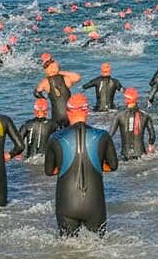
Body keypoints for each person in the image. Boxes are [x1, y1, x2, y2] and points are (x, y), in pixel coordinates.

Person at [44, 94, 118, 237]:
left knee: (67, 249)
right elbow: (113, 166)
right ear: (87, 111)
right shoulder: (102, 135)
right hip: (94, 202)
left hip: (67, 201)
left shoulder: (55, 137)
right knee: (97, 248)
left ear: (67, 111)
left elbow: (49, 171)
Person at [108, 88, 155, 160]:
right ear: (136, 99)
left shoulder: (119, 115)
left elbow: (110, 135)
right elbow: (152, 135)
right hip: (141, 155)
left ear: (125, 100)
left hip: (125, 155)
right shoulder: (145, 115)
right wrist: (151, 144)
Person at [35, 58, 82, 128]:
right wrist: (60, 72)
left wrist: (44, 99)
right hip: (69, 114)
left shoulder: (45, 82)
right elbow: (78, 77)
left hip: (56, 115)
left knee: (57, 134)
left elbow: (36, 92)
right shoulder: (66, 79)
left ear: (46, 70)